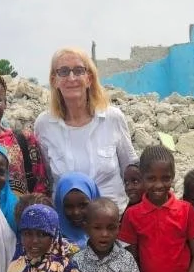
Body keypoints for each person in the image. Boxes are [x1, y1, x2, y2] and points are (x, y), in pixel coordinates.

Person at [33, 47, 138, 207]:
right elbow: (47, 177)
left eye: (78, 70)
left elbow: (130, 169)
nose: (71, 77)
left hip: (112, 223)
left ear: (89, 78)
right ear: (54, 80)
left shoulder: (112, 118)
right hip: (67, 224)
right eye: (63, 71)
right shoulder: (44, 125)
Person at [54, 173, 100, 253]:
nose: (76, 212)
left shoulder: (106, 233)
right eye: (69, 206)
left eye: (83, 205)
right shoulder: (51, 241)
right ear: (60, 206)